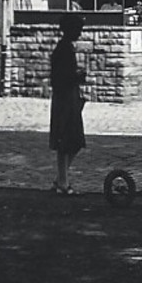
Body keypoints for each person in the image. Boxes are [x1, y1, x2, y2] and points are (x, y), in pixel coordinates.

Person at [48, 13, 87, 194]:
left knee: (73, 140)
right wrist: (77, 76)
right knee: (67, 140)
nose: (79, 33)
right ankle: (62, 182)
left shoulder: (65, 48)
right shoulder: (64, 50)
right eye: (77, 29)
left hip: (68, 98)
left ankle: (60, 179)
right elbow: (60, 78)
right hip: (65, 100)